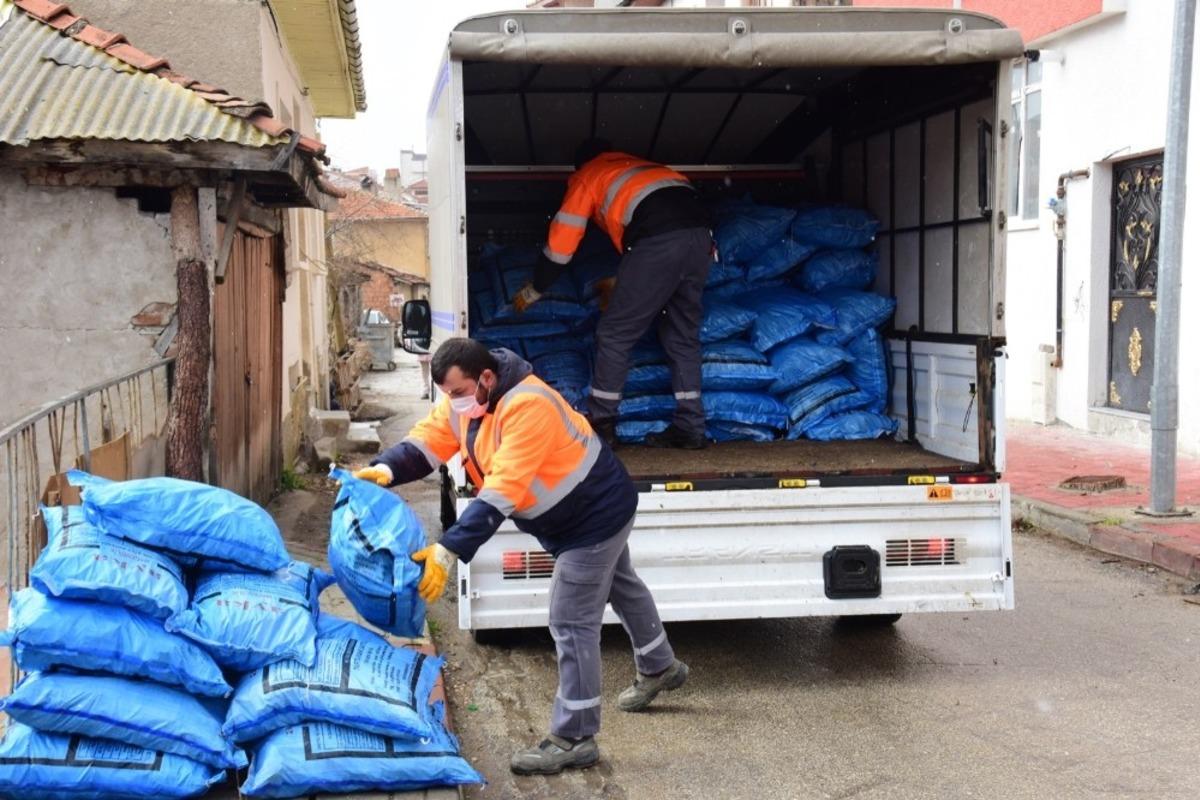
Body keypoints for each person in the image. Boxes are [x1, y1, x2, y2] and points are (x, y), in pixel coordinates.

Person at [354, 338, 688, 775]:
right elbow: (430, 441)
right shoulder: (467, 403)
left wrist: (449, 548)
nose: (451, 402)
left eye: (457, 392)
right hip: (576, 514)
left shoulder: (529, 405)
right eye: (446, 394)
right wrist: (387, 468)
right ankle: (660, 666)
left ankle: (575, 737)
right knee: (620, 584)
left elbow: (501, 492)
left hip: (594, 516)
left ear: (486, 378)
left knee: (570, 620)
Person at [514, 139, 713, 450]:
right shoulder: (649, 169)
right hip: (701, 241)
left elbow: (562, 244)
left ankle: (602, 423)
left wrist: (537, 286)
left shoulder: (589, 176)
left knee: (614, 334)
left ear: (583, 163)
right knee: (682, 335)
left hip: (658, 244)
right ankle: (691, 426)